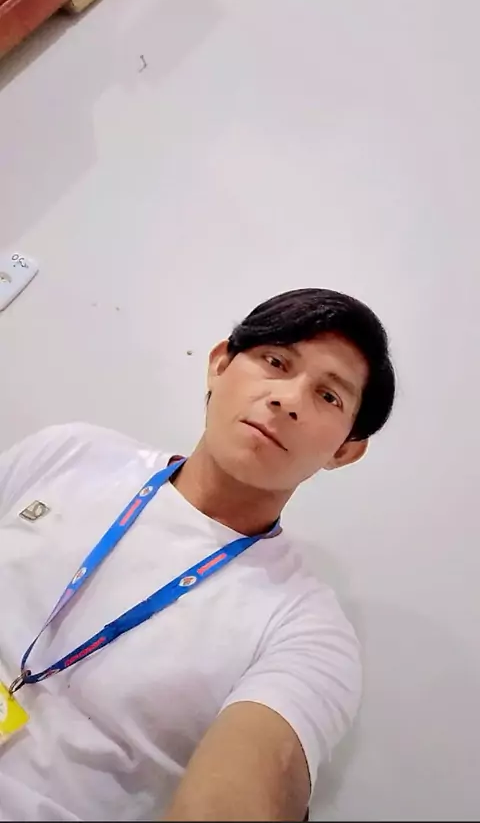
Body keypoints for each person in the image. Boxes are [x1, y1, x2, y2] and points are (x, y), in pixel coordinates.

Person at [0, 288, 395, 822]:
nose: (289, 399)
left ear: (345, 450)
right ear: (219, 364)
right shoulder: (72, 454)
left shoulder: (306, 631)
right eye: (276, 362)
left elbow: (256, 775)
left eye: (329, 396)